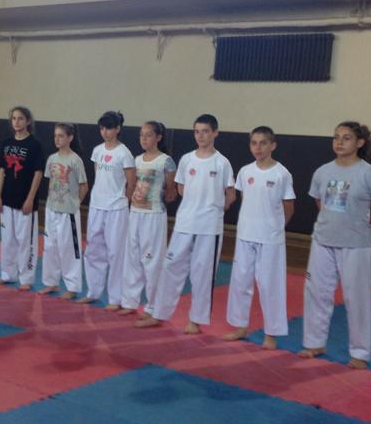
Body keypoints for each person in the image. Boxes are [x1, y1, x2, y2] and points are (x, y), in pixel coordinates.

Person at [300, 121, 371, 369]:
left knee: (357, 298)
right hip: (322, 242)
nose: (339, 142)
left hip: (356, 246)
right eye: (336, 137)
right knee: (317, 293)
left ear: (360, 143)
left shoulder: (369, 173)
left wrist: (362, 231)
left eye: (346, 138)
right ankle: (314, 343)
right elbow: (320, 203)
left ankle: (359, 353)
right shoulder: (322, 172)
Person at [137, 114, 235, 333]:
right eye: (197, 131)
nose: (200, 136)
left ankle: (195, 321)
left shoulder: (222, 162)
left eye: (205, 131)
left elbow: (230, 195)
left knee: (202, 274)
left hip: (209, 226)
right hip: (185, 222)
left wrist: (213, 209)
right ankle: (159, 313)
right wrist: (194, 206)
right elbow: (181, 188)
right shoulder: (187, 159)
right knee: (170, 267)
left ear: (215, 133)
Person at [222, 127, 296, 349]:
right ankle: (240, 326)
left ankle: (271, 333)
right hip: (246, 234)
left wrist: (276, 228)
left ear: (273, 145)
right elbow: (246, 198)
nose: (258, 147)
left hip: (270, 237)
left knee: (269, 285)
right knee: (240, 281)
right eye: (254, 143)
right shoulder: (245, 172)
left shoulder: (282, 174)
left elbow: (289, 207)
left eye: (263, 143)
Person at [80, 111, 136, 309]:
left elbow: (131, 182)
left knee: (116, 253)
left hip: (117, 208)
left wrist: (124, 201)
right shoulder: (97, 151)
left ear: (118, 129)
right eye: (102, 128)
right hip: (97, 205)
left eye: (109, 128)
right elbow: (98, 177)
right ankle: (93, 292)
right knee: (93, 250)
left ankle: (115, 298)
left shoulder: (124, 153)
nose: (105, 132)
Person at [120, 121, 177, 315]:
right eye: (141, 135)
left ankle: (153, 306)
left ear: (158, 137)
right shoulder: (136, 160)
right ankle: (129, 302)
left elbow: (171, 192)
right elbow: (131, 185)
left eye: (148, 135)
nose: (144, 139)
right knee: (132, 258)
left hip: (153, 216)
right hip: (135, 213)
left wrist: (157, 198)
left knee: (152, 261)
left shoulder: (165, 161)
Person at [0, 106, 45, 291]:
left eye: (20, 118)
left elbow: (38, 173)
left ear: (28, 121)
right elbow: (2, 170)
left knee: (26, 241)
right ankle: (7, 274)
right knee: (7, 240)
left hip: (25, 201)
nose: (16, 122)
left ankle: (26, 278)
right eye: (14, 118)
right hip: (7, 198)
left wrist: (30, 199)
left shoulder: (35, 144)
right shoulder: (6, 143)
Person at [40, 123, 88, 299]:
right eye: (55, 136)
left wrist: (76, 203)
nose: (57, 139)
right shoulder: (52, 159)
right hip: (52, 208)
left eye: (61, 136)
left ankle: (72, 286)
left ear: (70, 138)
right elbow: (51, 183)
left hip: (68, 211)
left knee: (68, 248)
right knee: (50, 246)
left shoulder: (75, 160)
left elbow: (84, 186)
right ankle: (51, 282)